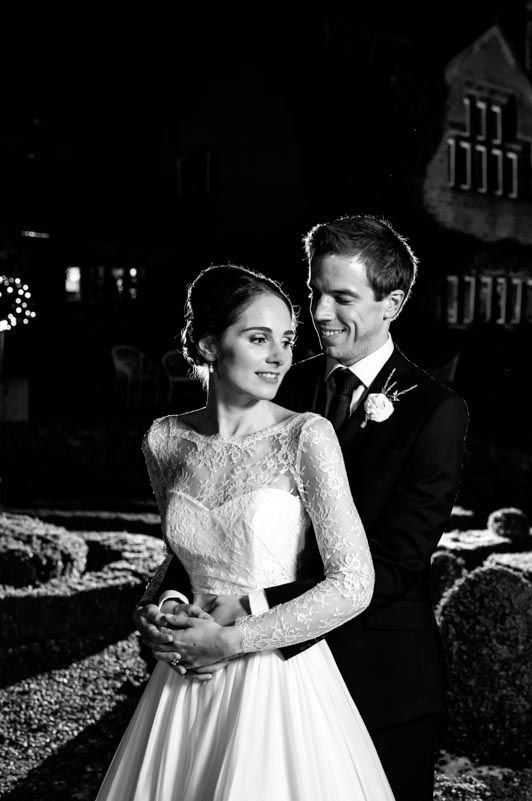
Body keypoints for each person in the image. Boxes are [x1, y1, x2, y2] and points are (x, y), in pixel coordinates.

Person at [137, 215, 469, 801]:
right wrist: (171, 603)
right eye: (316, 291)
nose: (317, 313)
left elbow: (395, 564)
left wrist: (243, 611)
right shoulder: (277, 381)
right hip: (239, 674)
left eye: (341, 296)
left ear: (391, 303)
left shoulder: (435, 412)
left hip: (375, 673)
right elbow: (215, 516)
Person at [97, 264, 395, 800]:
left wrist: (233, 640)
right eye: (259, 339)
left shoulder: (307, 436)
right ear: (210, 345)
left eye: (286, 340)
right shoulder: (165, 440)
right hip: (185, 683)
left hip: (275, 680)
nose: (281, 356)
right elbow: (184, 560)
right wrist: (161, 605)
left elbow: (354, 583)